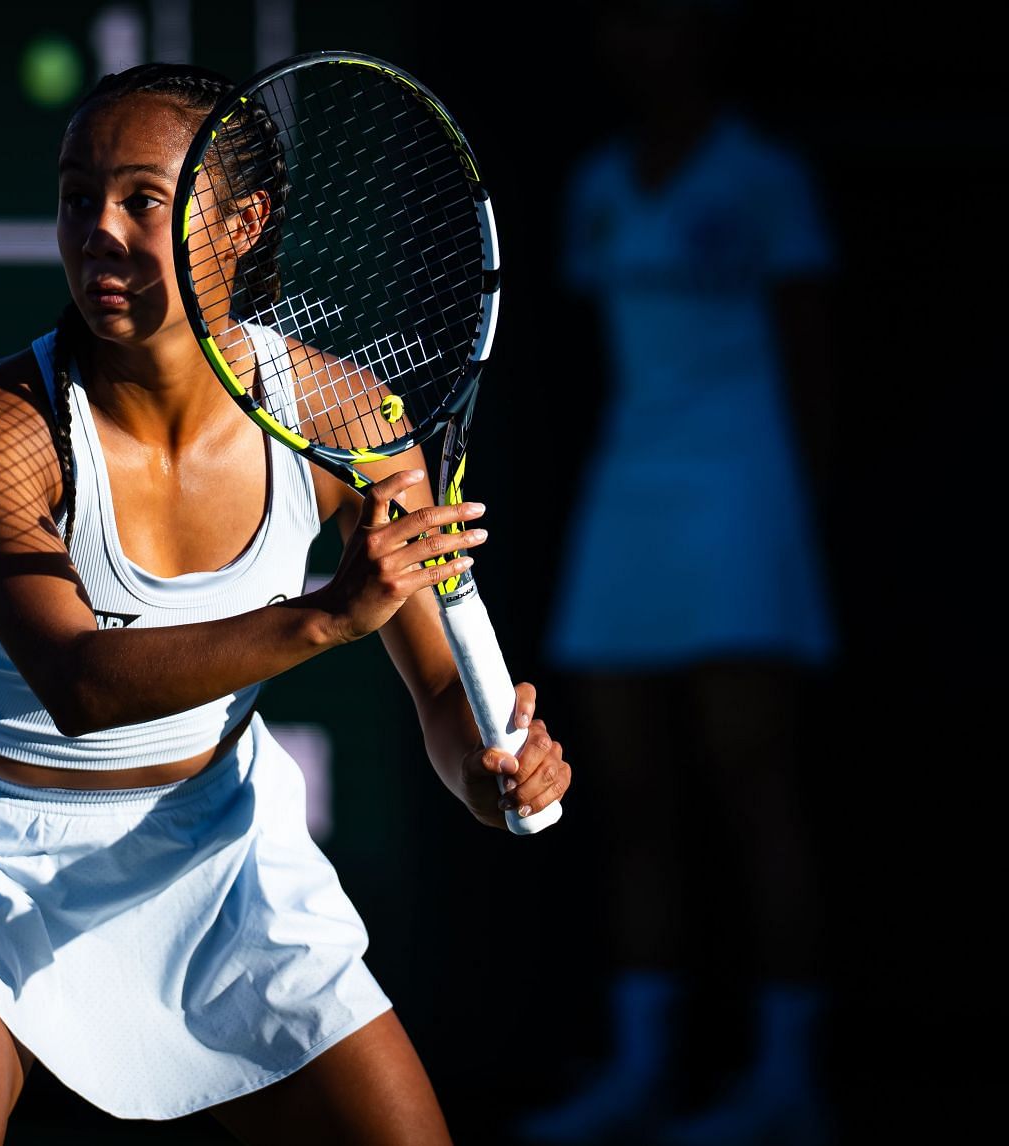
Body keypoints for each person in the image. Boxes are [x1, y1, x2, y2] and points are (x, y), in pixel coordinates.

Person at [0, 63, 571, 1144]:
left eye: (142, 199)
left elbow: (440, 688)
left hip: (217, 848)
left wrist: (488, 769)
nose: (97, 229)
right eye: (74, 193)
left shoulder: (348, 414)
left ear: (243, 223)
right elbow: (79, 683)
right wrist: (327, 615)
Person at [514, 6, 836, 1145]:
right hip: (628, 499)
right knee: (632, 800)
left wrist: (801, 528)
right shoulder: (596, 179)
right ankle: (643, 1071)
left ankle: (786, 1083)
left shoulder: (765, 176)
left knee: (755, 794)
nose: (645, 36)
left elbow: (808, 361)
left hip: (745, 496)